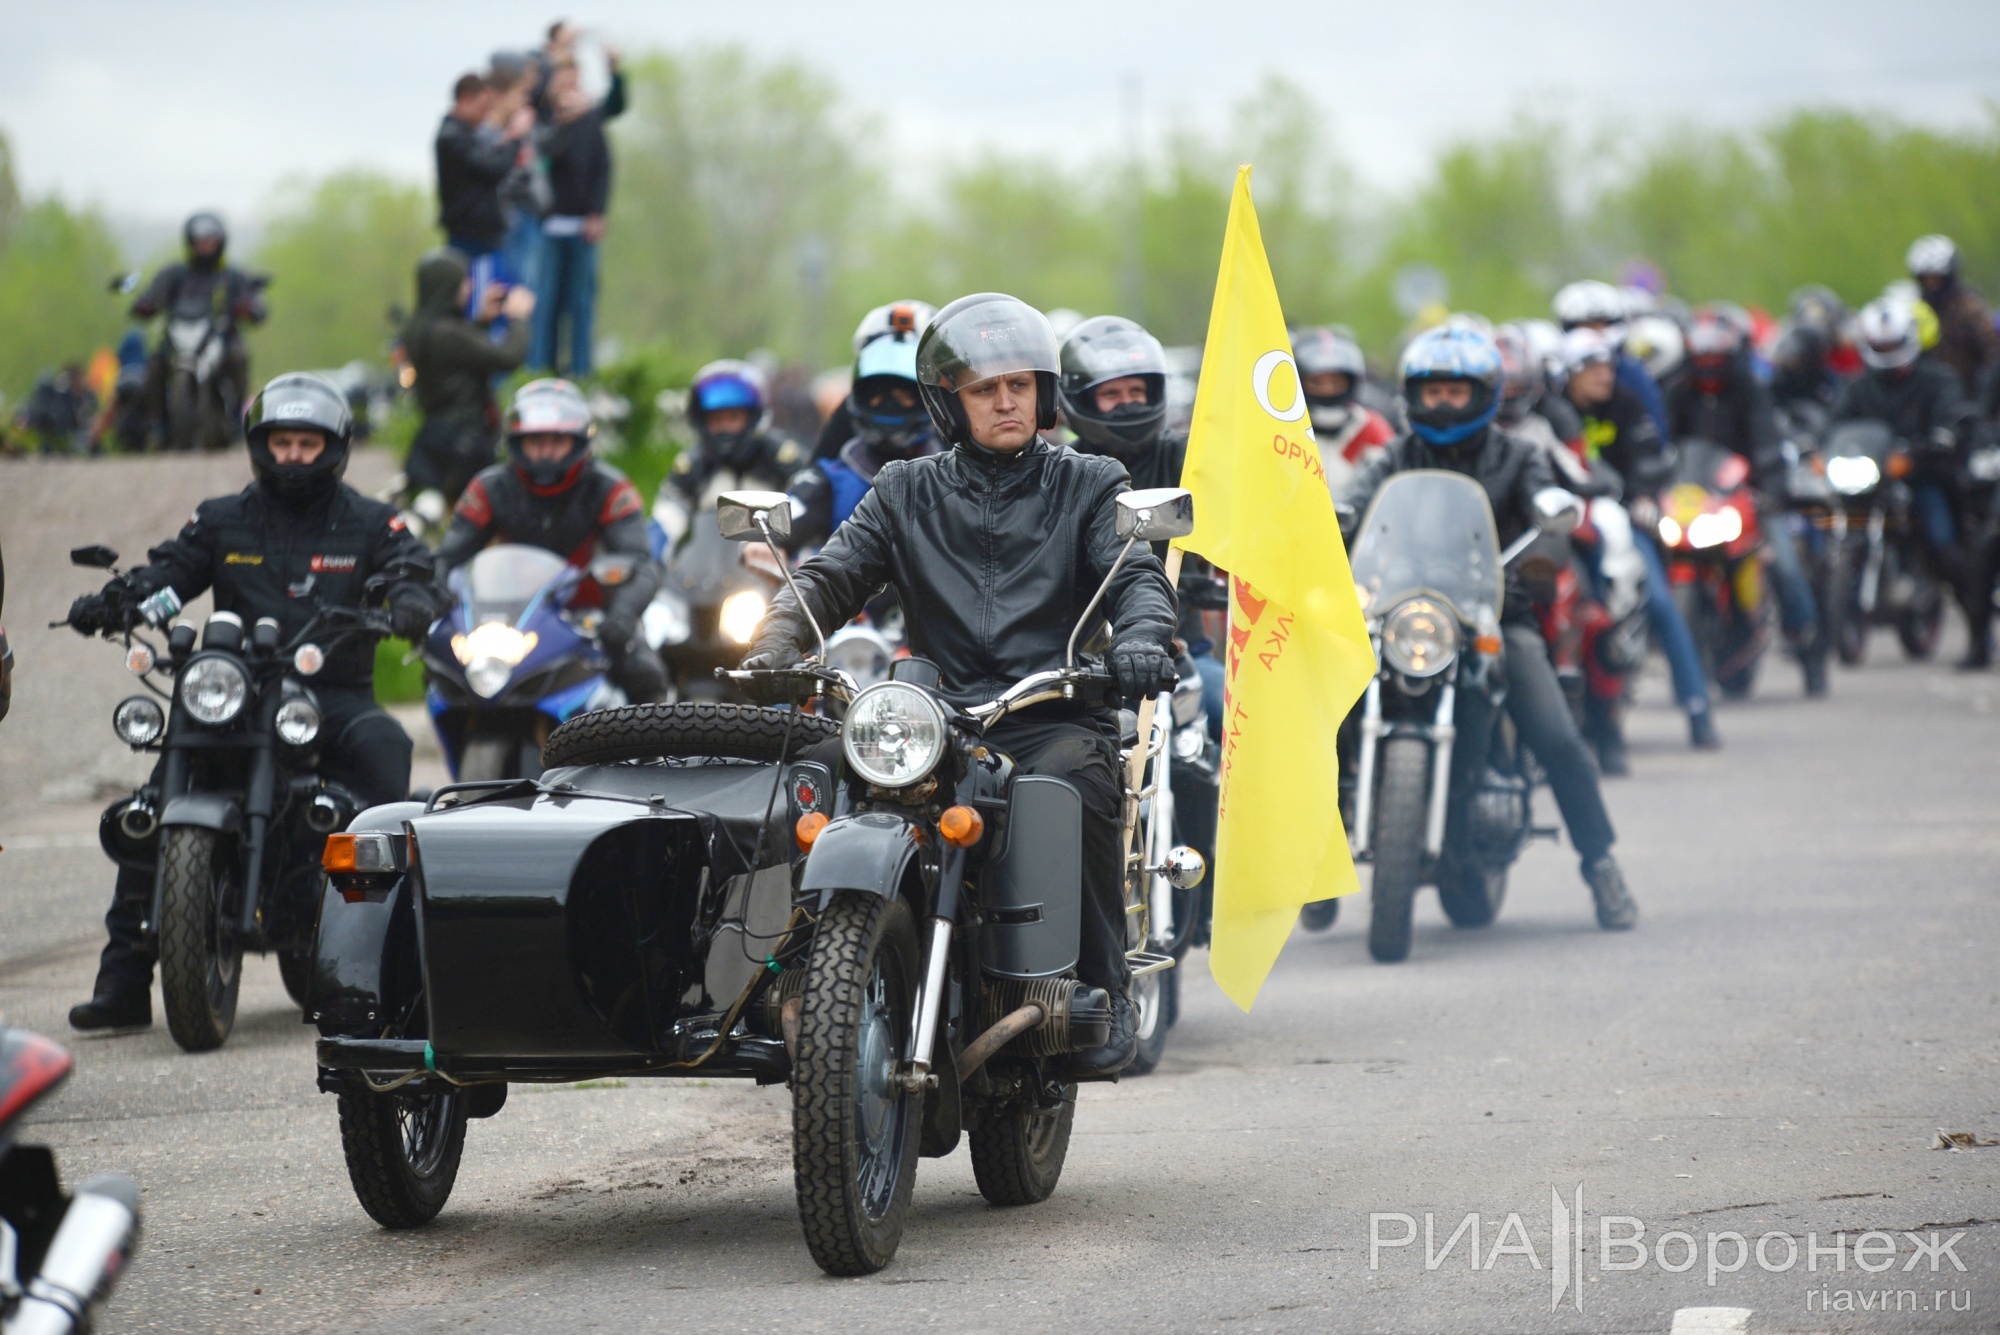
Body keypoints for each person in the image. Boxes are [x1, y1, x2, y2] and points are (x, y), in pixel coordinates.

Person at [742, 293, 1179, 1076]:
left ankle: (1102, 988)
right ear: (952, 403)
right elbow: (833, 573)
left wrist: (1143, 636)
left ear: (1043, 394)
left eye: (1019, 384)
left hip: (1045, 710)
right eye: (985, 388)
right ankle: (794, 977)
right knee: (806, 770)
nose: (1006, 401)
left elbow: (1137, 573)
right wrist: (776, 638)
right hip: (930, 717)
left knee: (1074, 781)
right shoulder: (904, 488)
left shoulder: (1089, 480)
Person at [64, 373, 443, 1032]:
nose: (293, 454)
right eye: (282, 441)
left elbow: (413, 568)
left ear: (334, 447)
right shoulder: (220, 519)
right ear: (259, 445)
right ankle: (122, 980)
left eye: (307, 442)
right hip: (235, 693)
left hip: (331, 695)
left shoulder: (371, 520)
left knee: (386, 749)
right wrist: (121, 598)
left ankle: (387, 964)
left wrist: (411, 601)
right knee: (151, 809)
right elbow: (170, 575)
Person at [1344, 325, 1636, 930]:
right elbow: (1352, 508)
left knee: (1555, 735)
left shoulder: (1519, 455)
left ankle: (1601, 865)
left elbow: (1549, 516)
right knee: (1318, 711)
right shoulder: (1392, 457)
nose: (1444, 403)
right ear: (1411, 396)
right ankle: (1311, 866)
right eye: (1433, 391)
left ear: (1485, 394)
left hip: (1495, 618)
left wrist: (1544, 545)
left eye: (1457, 391)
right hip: (1402, 619)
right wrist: (1332, 519)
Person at [438, 378, 669, 703]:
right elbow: (448, 559)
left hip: (587, 616)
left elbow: (641, 563)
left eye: (556, 441)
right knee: (441, 664)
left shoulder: (610, 488)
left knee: (645, 674)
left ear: (578, 441)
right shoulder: (487, 488)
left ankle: (657, 753)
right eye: (535, 441)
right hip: (503, 619)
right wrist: (429, 602)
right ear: (515, 442)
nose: (545, 453)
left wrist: (622, 615)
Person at [1564, 327, 1721, 747]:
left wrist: (1642, 497)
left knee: (1662, 602)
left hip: (1623, 517)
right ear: (1569, 374)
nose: (1605, 375)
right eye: (1592, 368)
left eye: (1608, 366)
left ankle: (1697, 708)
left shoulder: (1628, 404)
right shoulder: (1555, 413)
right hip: (1568, 521)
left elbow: (1649, 461)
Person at [1667, 307, 1827, 695]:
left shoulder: (1752, 390)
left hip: (1750, 497)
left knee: (1785, 566)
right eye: (1701, 357)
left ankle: (1806, 640)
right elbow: (1665, 448)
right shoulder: (1675, 392)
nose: (1708, 366)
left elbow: (1767, 444)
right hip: (1696, 500)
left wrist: (1770, 491)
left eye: (1715, 357)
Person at [1833, 298, 1988, 668]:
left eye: (1892, 345)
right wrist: (1819, 448)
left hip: (1922, 476)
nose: (1886, 353)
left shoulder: (1937, 380)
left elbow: (1954, 415)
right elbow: (1835, 422)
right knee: (1832, 518)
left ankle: (1980, 636)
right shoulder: (1859, 388)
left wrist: (1936, 441)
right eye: (1879, 346)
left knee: (1944, 548)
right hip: (1873, 480)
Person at [787, 305, 940, 549]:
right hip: (843, 584)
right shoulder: (831, 475)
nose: (889, 404)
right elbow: (798, 508)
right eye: (877, 393)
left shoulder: (958, 473)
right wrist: (767, 545)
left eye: (904, 394)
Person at [400, 248, 536, 509]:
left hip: (436, 435)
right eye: (463, 282)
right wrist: (518, 319)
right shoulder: (449, 334)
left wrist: (481, 322)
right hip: (466, 440)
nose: (469, 288)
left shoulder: (418, 328)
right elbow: (508, 357)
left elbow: (457, 357)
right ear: (447, 286)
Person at [128, 213, 267, 446]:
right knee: (153, 366)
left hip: (221, 339)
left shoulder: (232, 276)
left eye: (210, 240)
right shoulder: (173, 275)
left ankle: (235, 419)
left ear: (221, 242)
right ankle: (158, 424)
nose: (205, 246)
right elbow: (150, 296)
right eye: (200, 240)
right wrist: (145, 305)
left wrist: (249, 308)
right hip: (177, 340)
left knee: (239, 357)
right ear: (190, 242)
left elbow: (257, 306)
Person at [651, 360, 806, 557]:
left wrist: (797, 557)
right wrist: (651, 554)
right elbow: (667, 516)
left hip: (773, 571)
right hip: (704, 577)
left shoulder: (780, 457)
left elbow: (805, 511)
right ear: (702, 423)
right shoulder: (693, 464)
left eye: (733, 418)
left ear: (752, 418)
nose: (724, 428)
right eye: (716, 420)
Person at [530, 59, 625, 377]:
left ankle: (582, 371)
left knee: (581, 303)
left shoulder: (591, 122)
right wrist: (564, 121)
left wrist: (597, 212)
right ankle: (542, 368)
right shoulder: (544, 122)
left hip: (582, 225)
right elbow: (545, 156)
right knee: (547, 304)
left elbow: (603, 168)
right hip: (549, 225)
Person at [1554, 279, 1670, 440]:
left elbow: (1655, 434)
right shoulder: (1555, 378)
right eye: (1586, 327)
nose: (1595, 336)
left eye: (1602, 326)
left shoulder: (1632, 374)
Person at [435, 73, 534, 260]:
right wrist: (516, 137)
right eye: (482, 107)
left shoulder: (465, 134)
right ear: (465, 99)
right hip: (467, 232)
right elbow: (492, 168)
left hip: (482, 233)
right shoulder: (453, 137)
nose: (485, 115)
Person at [1293, 326, 1394, 486]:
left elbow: (1388, 486)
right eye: (1316, 382)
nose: (1327, 390)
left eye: (1335, 382)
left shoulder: (1369, 428)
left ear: (1351, 382)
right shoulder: (1287, 429)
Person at [1906, 235, 1999, 402]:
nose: (1931, 285)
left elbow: (1992, 352)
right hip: (1929, 395)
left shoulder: (1970, 310)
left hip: (1969, 394)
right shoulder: (1916, 311)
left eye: (1936, 279)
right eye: (1926, 279)